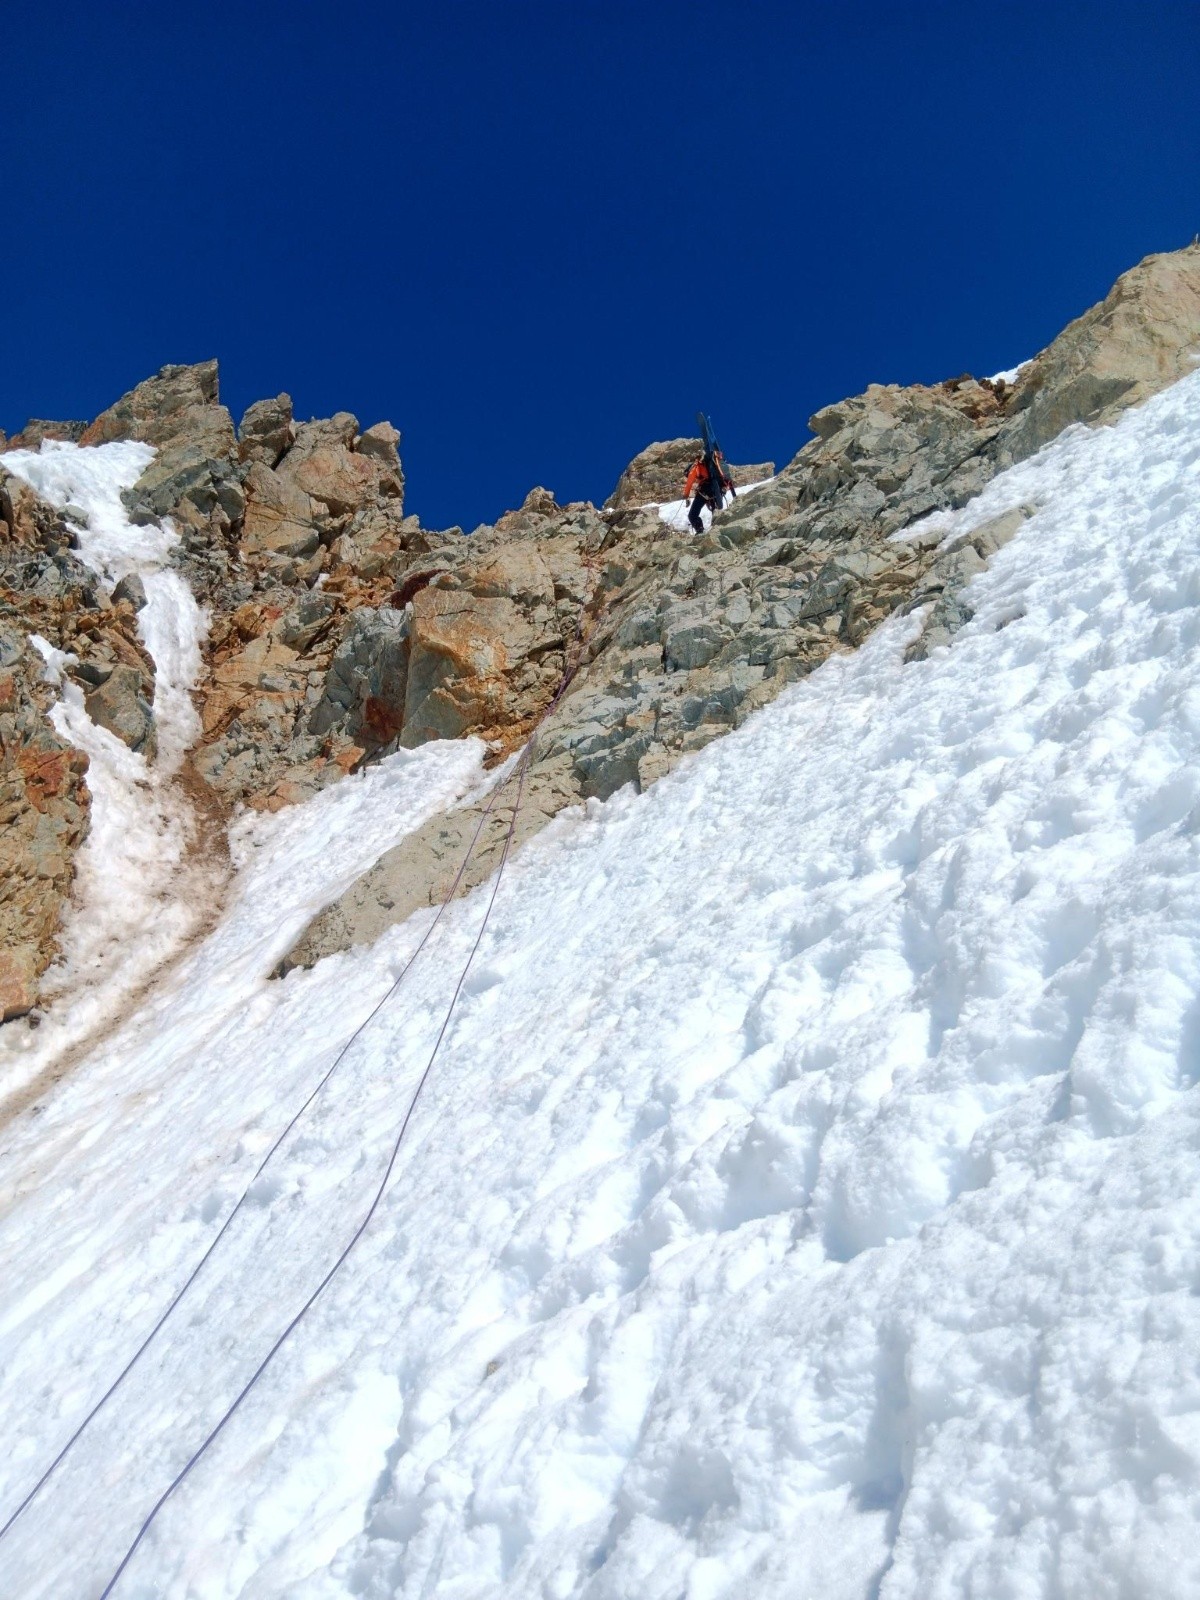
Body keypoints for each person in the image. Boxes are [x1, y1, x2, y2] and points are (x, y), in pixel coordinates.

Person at [683, 447, 735, 535]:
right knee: (715, 510)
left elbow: (689, 483)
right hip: (718, 488)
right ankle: (719, 527)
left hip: (705, 490)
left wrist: (686, 496)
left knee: (692, 515)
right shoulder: (712, 466)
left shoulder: (695, 467)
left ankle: (700, 530)